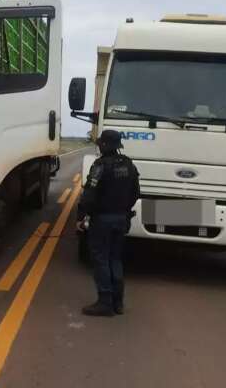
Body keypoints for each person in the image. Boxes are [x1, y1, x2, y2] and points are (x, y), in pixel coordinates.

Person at [77, 129, 140, 317]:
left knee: (101, 259)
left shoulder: (100, 166)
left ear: (104, 145)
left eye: (100, 144)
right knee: (115, 259)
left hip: (103, 220)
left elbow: (89, 195)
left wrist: (81, 217)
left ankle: (105, 302)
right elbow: (135, 193)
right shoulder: (128, 164)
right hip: (121, 218)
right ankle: (118, 302)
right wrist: (124, 211)